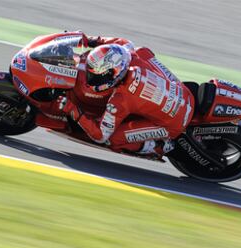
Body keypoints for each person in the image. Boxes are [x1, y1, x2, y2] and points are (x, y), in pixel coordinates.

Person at [62, 35, 195, 157]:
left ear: (115, 74)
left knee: (112, 139)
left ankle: (159, 147)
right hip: (185, 94)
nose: (90, 78)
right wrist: (90, 40)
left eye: (97, 76)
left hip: (173, 123)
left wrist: (72, 109)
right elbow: (120, 43)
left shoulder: (120, 100)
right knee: (145, 53)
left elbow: (100, 136)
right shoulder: (131, 53)